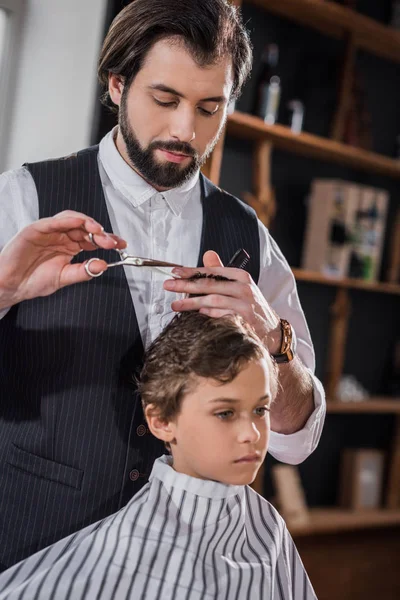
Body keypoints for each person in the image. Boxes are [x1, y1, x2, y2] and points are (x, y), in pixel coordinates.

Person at [0, 0, 325, 570]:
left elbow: (297, 436)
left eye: (209, 107)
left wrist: (274, 341)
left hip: (181, 566)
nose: (185, 129)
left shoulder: (249, 237)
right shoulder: (20, 200)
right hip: (30, 548)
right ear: (118, 84)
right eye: (165, 99)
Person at [0, 312, 317, 600]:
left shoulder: (269, 527)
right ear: (162, 421)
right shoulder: (121, 548)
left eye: (260, 409)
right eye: (225, 413)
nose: (251, 433)